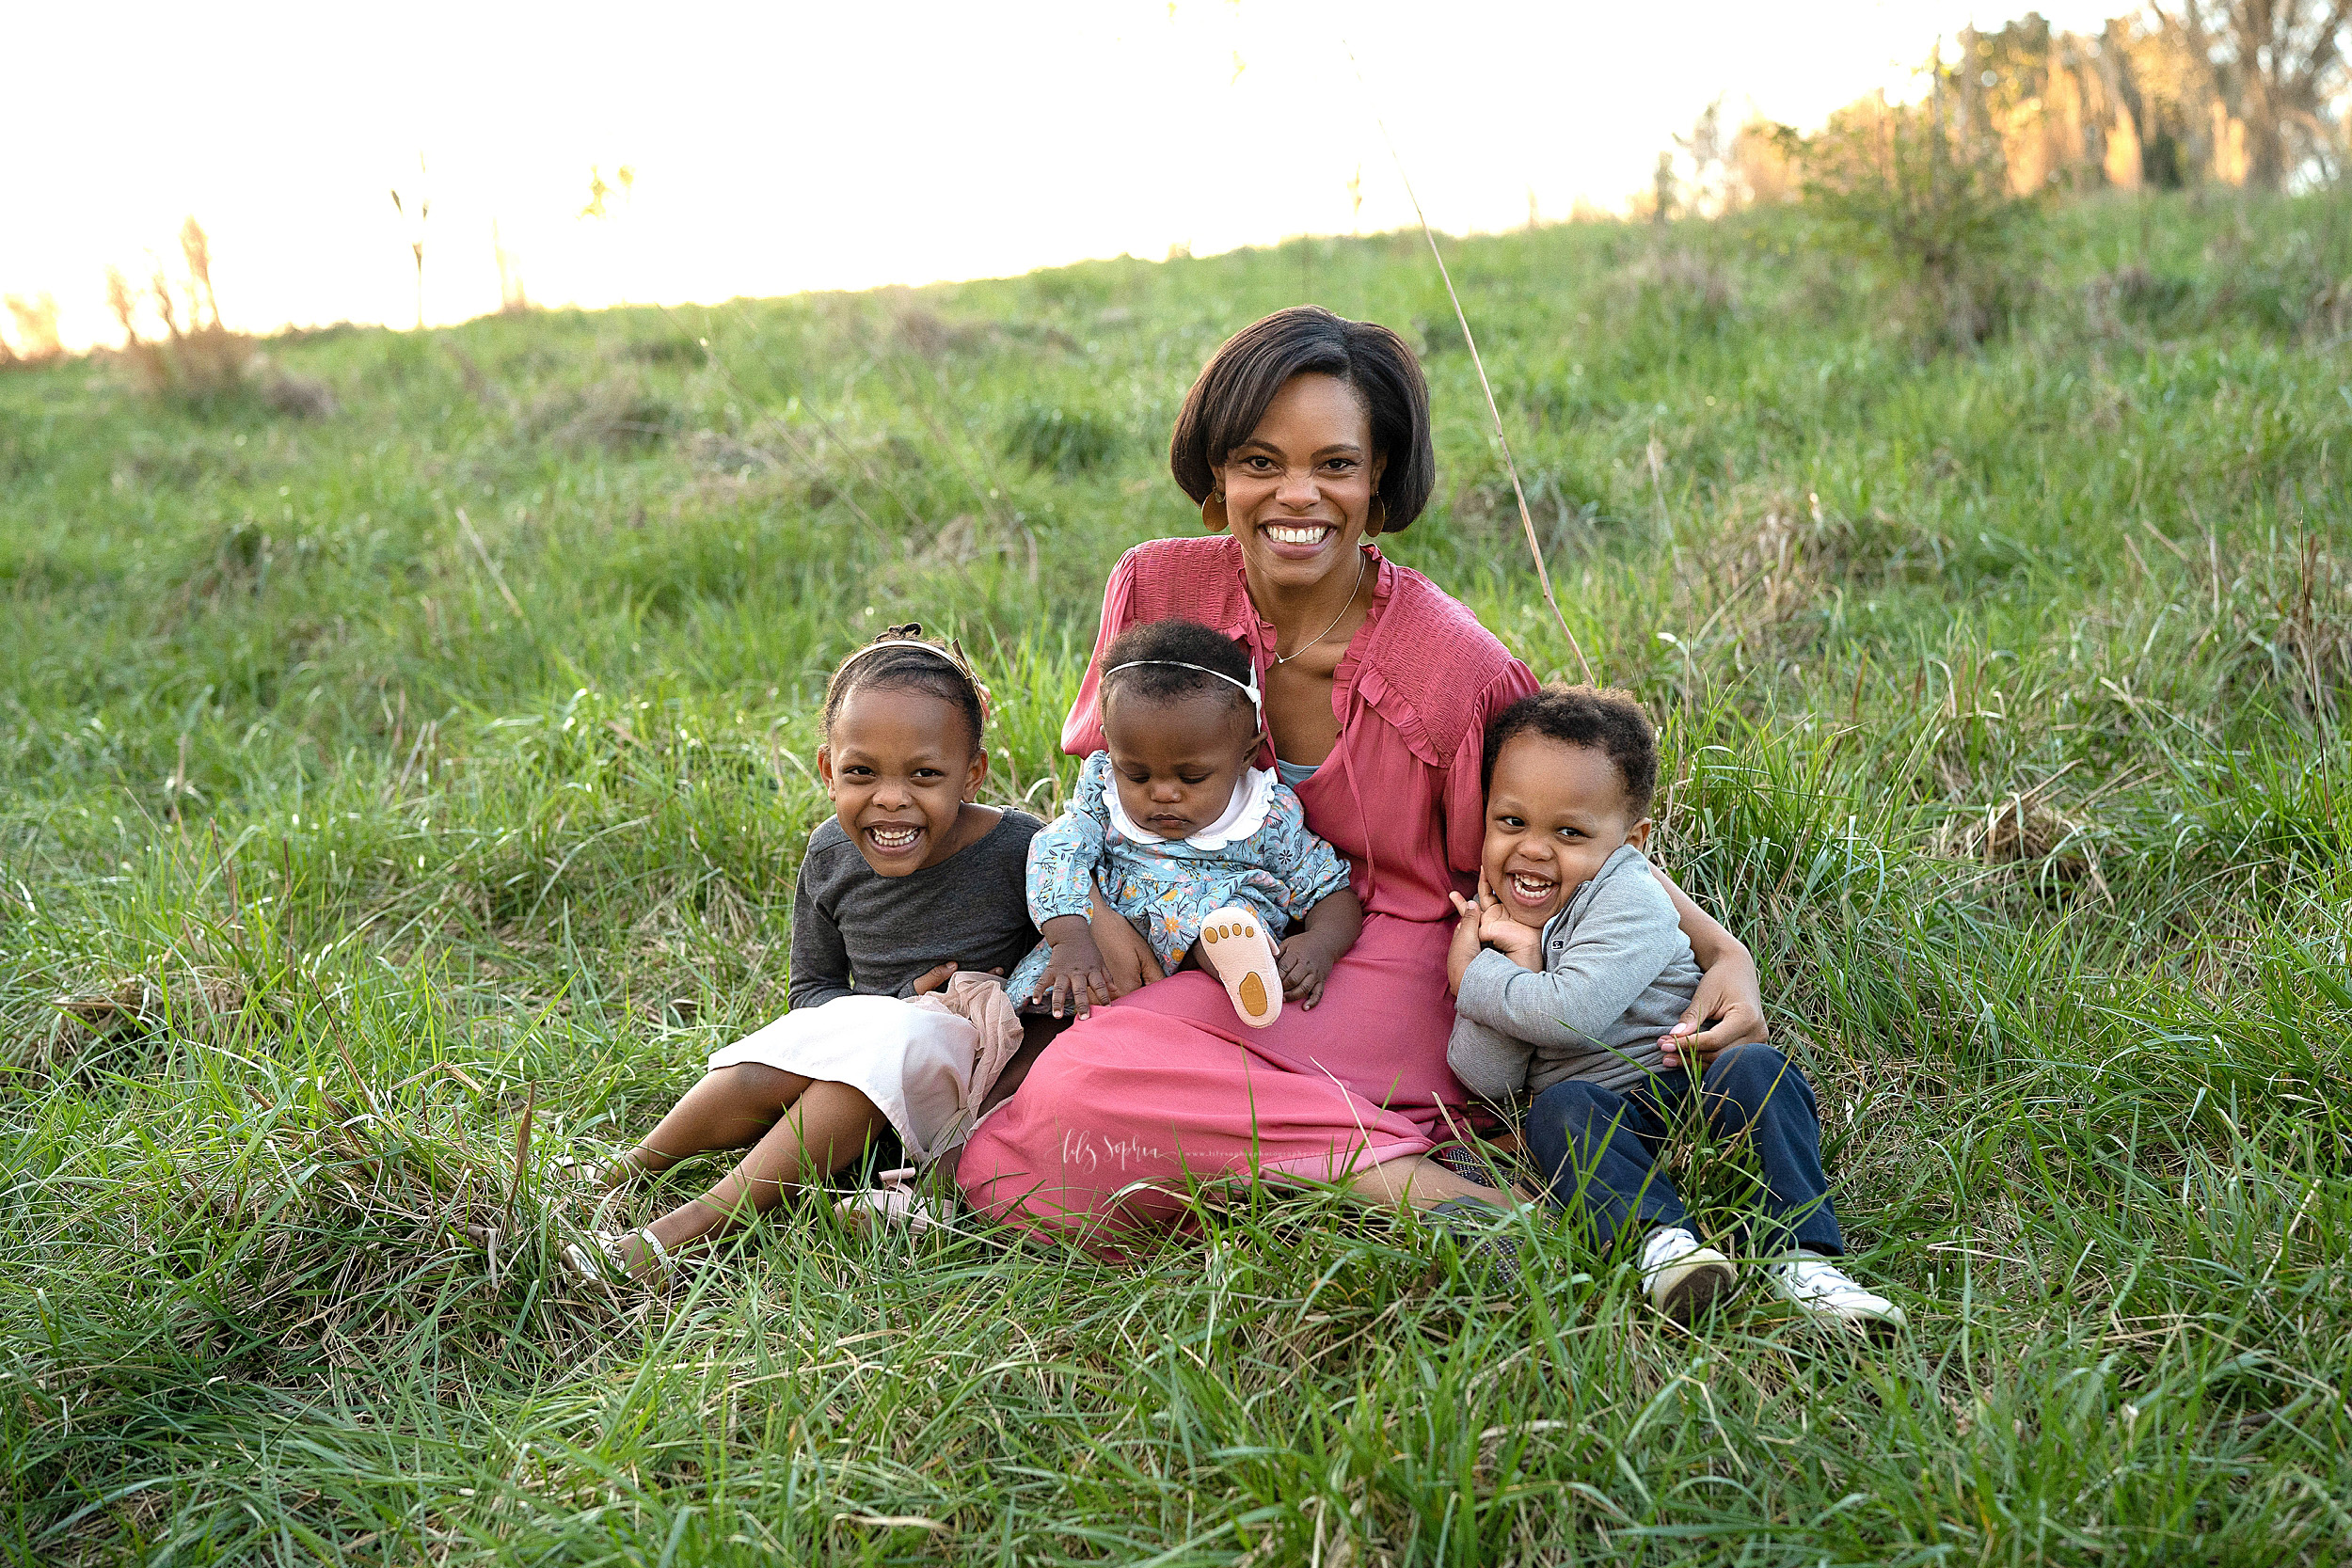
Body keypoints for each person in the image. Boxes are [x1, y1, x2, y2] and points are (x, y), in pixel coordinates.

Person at [956, 306, 1769, 1252]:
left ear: (1377, 477)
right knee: (1057, 1096)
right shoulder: (1157, 588)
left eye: (1333, 464)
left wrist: (1723, 950)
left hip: (1400, 956)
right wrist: (1096, 913)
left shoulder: (1451, 666)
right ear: (1218, 474)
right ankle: (1306, 1158)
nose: (1296, 495)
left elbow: (1558, 833)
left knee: (1085, 1090)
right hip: (1221, 932)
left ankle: (1433, 1198)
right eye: (1260, 462)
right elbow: (1104, 790)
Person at [564, 626, 1041, 1287]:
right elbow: (812, 991)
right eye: (861, 772)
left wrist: (940, 1008)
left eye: (925, 774)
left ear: (973, 772)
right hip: (864, 1062)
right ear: (826, 770)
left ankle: (688, 1229)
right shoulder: (831, 855)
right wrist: (894, 1001)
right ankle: (629, 1167)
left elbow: (1057, 978)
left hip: (954, 1079)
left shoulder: (1020, 850)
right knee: (780, 1058)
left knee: (899, 1037)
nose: (892, 798)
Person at [1450, 685, 1903, 1333]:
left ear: (1630, 840)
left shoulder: (1628, 894)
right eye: (1511, 822)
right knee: (1559, 1110)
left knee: (1758, 1069)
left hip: (1686, 1082)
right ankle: (1665, 1248)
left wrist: (1473, 976)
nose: (1533, 849)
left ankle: (1804, 1261)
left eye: (1570, 831)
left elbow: (1566, 1014)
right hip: (1604, 1113)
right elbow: (1484, 1077)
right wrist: (1512, 963)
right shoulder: (1502, 921)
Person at [1007, 617, 1362, 1032]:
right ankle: (997, 1092)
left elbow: (1330, 892)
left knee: (1225, 922)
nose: (1163, 794)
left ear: (1246, 755)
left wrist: (1320, 945)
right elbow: (1056, 852)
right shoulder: (1101, 799)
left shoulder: (1266, 816)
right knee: (1045, 1014)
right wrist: (1069, 939)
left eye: (1191, 778)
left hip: (1216, 931)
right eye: (1137, 775)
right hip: (1098, 951)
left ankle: (1241, 967)